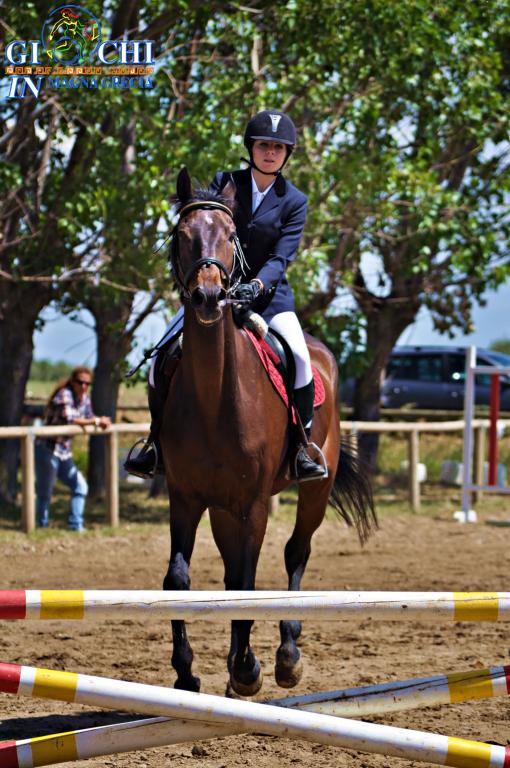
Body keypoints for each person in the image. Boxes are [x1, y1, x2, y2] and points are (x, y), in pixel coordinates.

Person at [125, 109, 326, 482]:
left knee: (299, 356)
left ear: (287, 154)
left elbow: (282, 256)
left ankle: (301, 446)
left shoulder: (294, 200)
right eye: (264, 145)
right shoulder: (226, 184)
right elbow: (208, 233)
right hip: (214, 293)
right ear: (251, 148)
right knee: (161, 357)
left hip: (270, 299)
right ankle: (155, 443)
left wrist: (258, 285)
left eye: (278, 148)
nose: (270, 153)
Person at [35, 366, 111, 531]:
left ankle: (76, 525)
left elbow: (88, 416)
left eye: (87, 383)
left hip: (63, 450)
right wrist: (98, 421)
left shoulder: (85, 398)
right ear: (72, 381)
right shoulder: (64, 393)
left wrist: (97, 420)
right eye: (80, 382)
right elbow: (72, 419)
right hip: (47, 448)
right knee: (45, 491)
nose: (84, 386)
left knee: (80, 486)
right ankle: (41, 526)